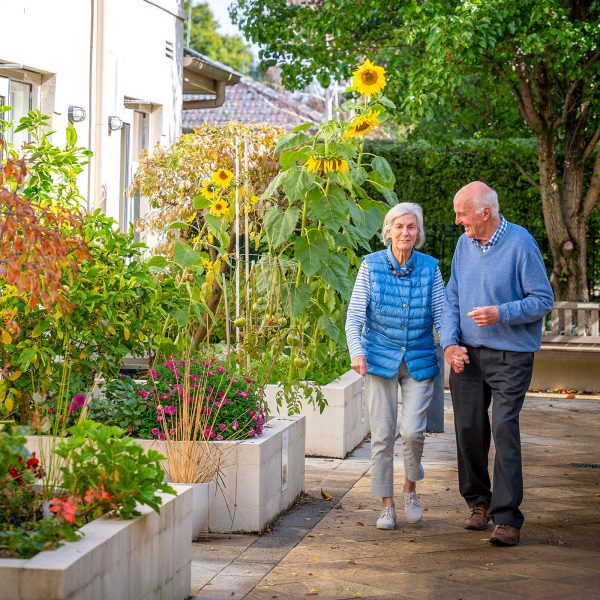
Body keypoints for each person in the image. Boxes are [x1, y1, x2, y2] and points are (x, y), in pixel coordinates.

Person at [441, 181, 553, 546]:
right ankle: (478, 503)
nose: (458, 221)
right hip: (468, 357)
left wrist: (500, 313)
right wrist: (450, 344)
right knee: (469, 430)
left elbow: (542, 299)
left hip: (511, 356)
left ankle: (507, 518)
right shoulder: (464, 245)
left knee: (504, 428)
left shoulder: (521, 244)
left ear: (484, 212)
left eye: (462, 213)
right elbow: (452, 296)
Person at [345, 202, 444, 530]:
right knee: (384, 435)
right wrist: (357, 351)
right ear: (388, 232)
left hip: (419, 357)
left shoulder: (430, 267)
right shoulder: (371, 266)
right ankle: (386, 504)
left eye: (411, 227)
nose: (405, 233)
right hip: (379, 358)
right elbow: (355, 316)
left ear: (419, 233)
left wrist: (452, 345)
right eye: (399, 227)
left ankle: (410, 488)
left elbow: (442, 315)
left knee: (413, 432)